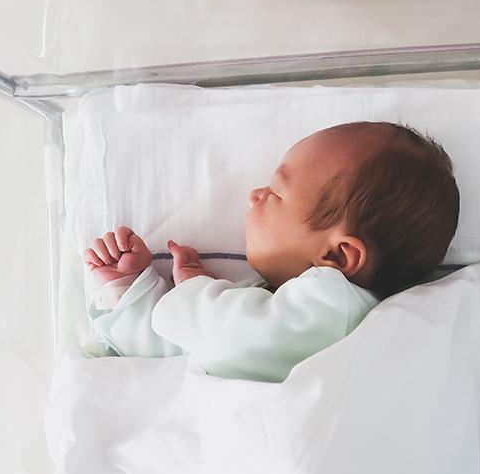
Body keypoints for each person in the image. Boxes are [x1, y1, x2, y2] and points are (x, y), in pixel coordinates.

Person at [83, 121, 459, 382]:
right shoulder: (266, 301)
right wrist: (127, 292)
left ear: (338, 257)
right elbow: (182, 353)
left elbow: (231, 338)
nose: (255, 195)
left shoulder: (334, 305)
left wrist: (195, 289)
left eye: (276, 192)